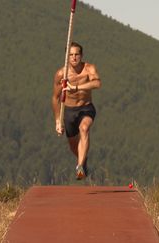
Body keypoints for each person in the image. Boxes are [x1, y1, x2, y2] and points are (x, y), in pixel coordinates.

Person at [52, 42, 101, 180]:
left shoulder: (89, 68)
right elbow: (55, 98)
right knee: (73, 144)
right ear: (67, 57)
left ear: (81, 55)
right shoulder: (61, 74)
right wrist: (57, 120)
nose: (74, 58)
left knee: (84, 128)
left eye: (76, 55)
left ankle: (79, 166)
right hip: (69, 111)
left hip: (86, 107)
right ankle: (83, 160)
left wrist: (76, 87)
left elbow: (97, 83)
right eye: (71, 55)